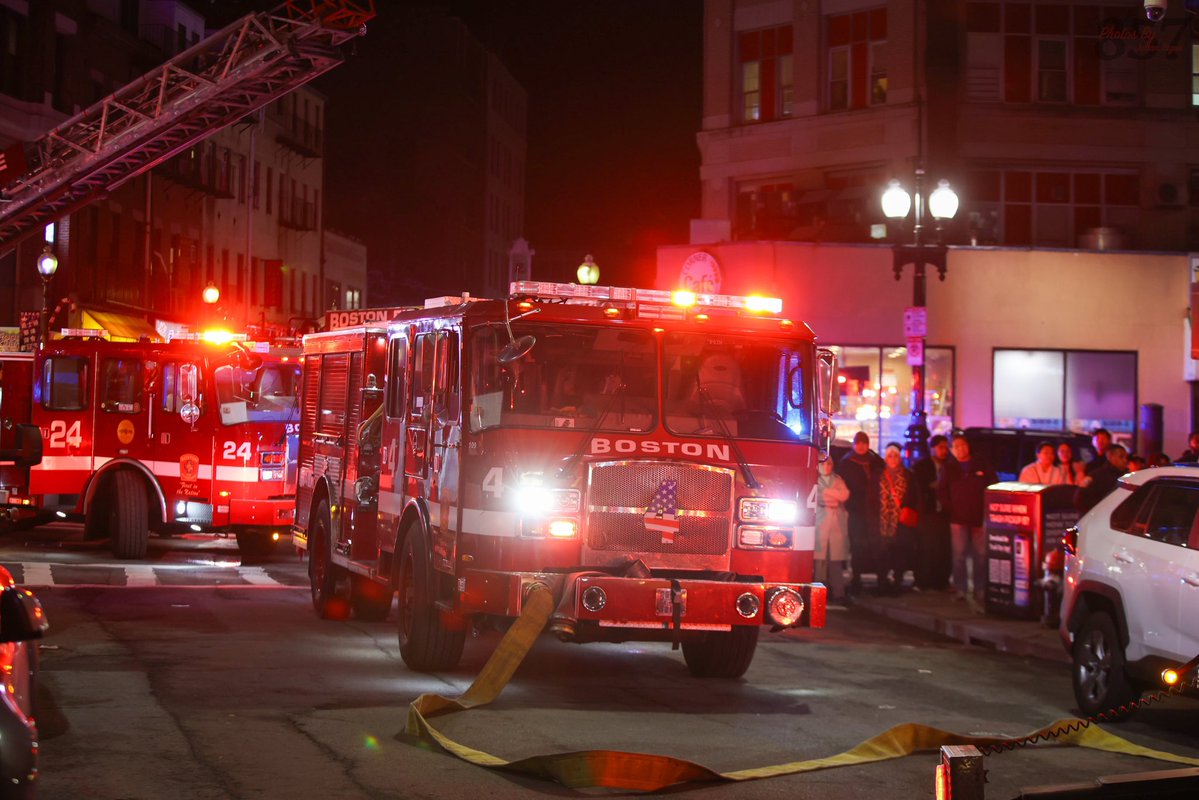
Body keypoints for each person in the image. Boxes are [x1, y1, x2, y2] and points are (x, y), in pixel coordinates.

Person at [938, 432, 998, 611]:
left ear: (968, 446)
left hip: (979, 517)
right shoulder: (949, 467)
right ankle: (961, 588)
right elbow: (942, 491)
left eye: (962, 445)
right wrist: (951, 508)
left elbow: (993, 485)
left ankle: (979, 588)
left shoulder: (981, 464)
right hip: (958, 518)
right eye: (956, 447)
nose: (960, 449)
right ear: (952, 450)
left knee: (980, 555)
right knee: (959, 555)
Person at [836, 431, 885, 596]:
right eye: (858, 443)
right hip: (856, 510)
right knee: (857, 544)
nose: (861, 446)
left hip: (874, 511)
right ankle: (856, 578)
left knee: (876, 544)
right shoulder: (847, 463)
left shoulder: (876, 461)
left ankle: (880, 577)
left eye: (864, 443)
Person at [872, 443, 919, 595]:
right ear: (886, 458)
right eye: (890, 456)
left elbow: (914, 497)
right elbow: (871, 498)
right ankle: (882, 582)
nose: (892, 459)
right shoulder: (878, 475)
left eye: (895, 456)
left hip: (901, 522)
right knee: (882, 554)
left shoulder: (908, 475)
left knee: (900, 554)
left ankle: (897, 582)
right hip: (882, 522)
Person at [911, 434, 952, 591]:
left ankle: (942, 581)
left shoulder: (950, 466)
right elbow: (918, 488)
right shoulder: (921, 466)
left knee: (943, 549)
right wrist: (933, 486)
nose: (944, 451)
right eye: (940, 447)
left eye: (946, 447)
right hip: (927, 513)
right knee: (926, 548)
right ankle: (922, 580)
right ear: (932, 448)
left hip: (944, 513)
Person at [814, 455, 850, 603]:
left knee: (835, 562)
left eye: (829, 464)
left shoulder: (838, 479)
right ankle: (818, 593)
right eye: (824, 464)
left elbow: (844, 495)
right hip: (820, 524)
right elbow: (818, 496)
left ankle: (838, 593)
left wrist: (827, 494)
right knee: (819, 563)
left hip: (835, 526)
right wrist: (833, 496)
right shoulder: (815, 479)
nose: (827, 467)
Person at [1076, 444, 1130, 514]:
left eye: (1126, 457)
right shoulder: (1095, 476)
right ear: (1110, 457)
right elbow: (1079, 499)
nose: (1125, 460)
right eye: (1121, 457)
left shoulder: (1129, 477)